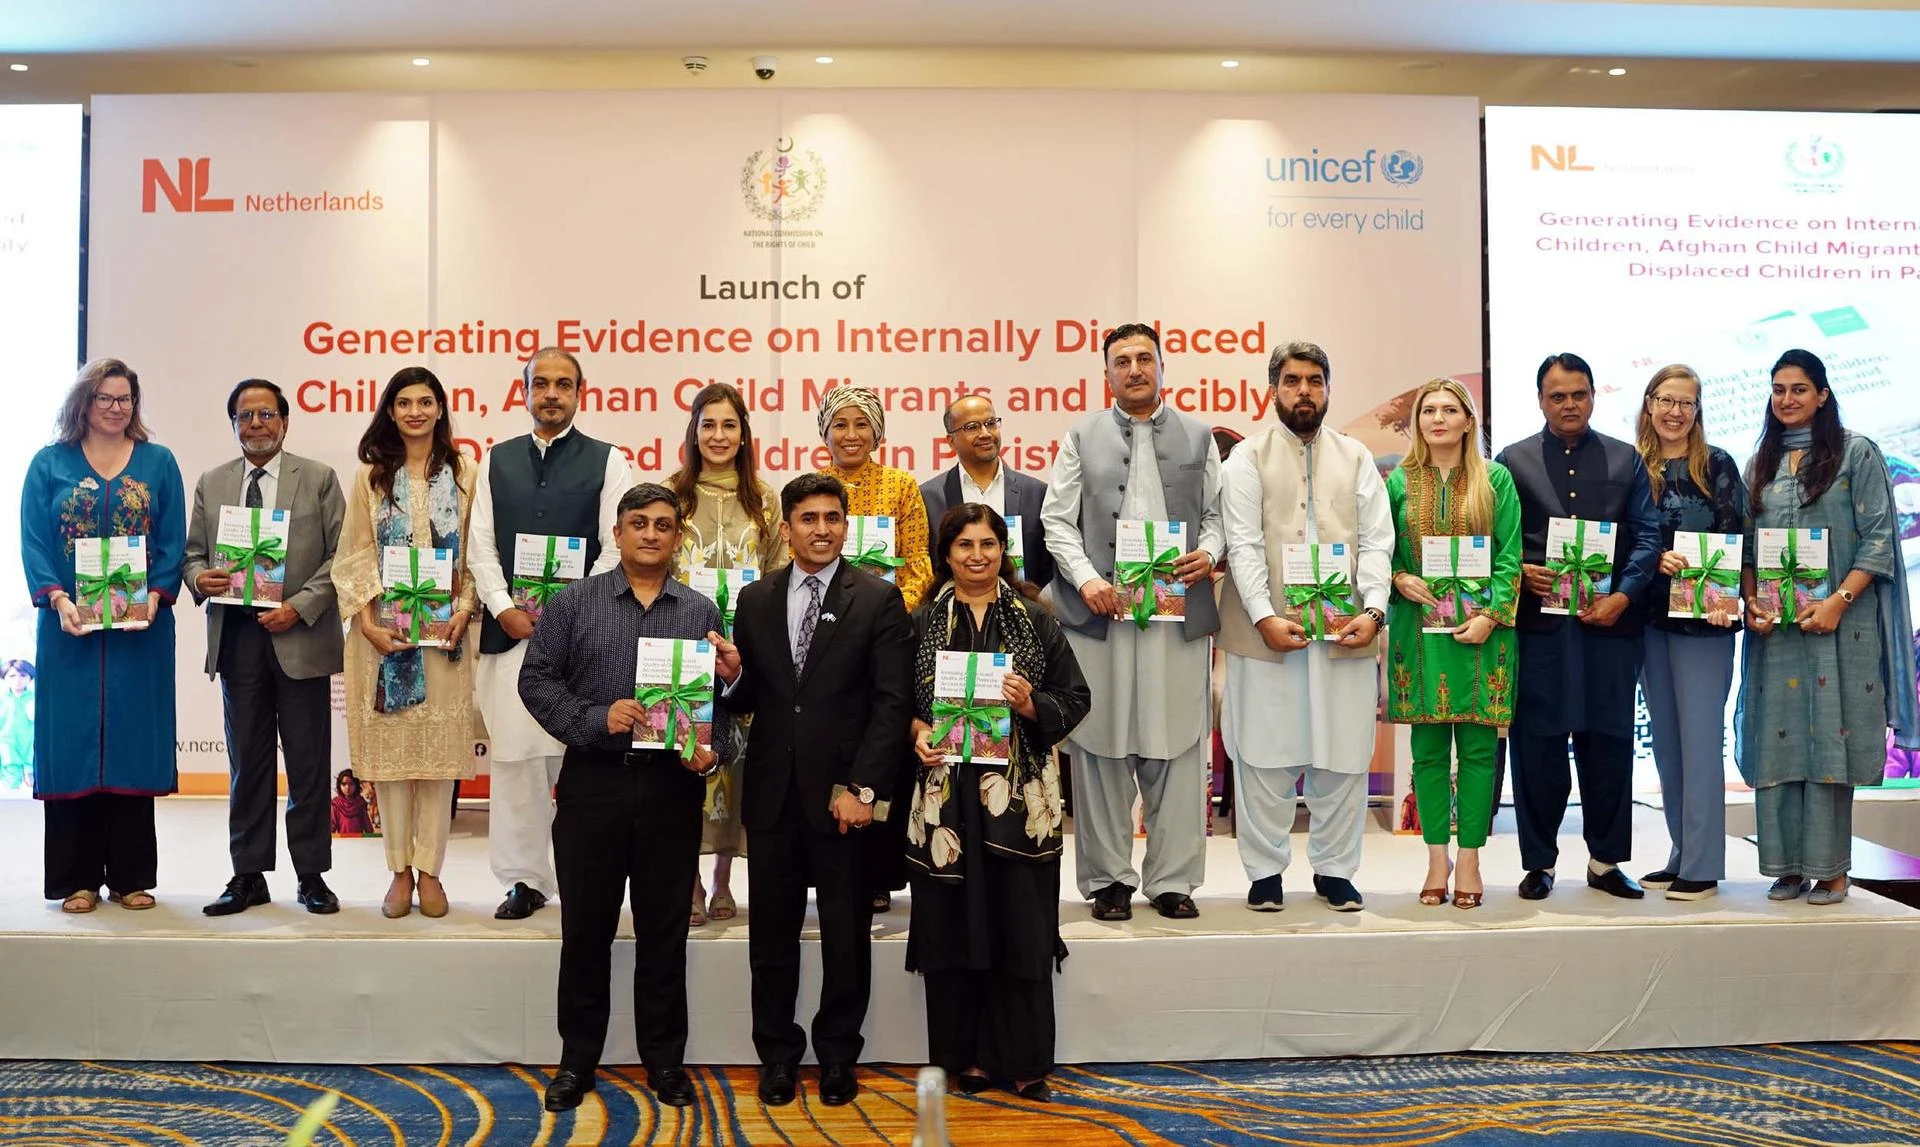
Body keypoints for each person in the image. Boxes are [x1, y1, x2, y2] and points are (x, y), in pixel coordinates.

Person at [518, 482, 731, 1112]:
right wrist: (594, 717)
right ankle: (576, 1061)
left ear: (676, 537)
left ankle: (665, 1062)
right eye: (638, 523)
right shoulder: (572, 603)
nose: (650, 534)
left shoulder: (699, 611)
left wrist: (713, 744)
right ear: (617, 533)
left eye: (663, 525)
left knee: (665, 933)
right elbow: (536, 683)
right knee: (586, 930)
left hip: (670, 791)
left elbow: (723, 708)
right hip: (594, 783)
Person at [710, 472, 914, 1109]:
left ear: (845, 525)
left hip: (844, 798)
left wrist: (864, 788)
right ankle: (776, 1053)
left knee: (845, 936)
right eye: (808, 518)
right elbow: (757, 699)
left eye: (832, 517)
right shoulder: (755, 598)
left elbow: (891, 703)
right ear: (787, 527)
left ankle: (836, 1055)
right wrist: (731, 679)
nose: (821, 529)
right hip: (772, 795)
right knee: (769, 936)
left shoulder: (878, 598)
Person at [905, 504, 1090, 1103]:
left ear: (1003, 549)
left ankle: (1027, 1059)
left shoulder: (1037, 620)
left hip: (1020, 806)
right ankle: (970, 1059)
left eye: (988, 543)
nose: (977, 556)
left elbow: (1076, 697)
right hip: (947, 802)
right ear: (947, 553)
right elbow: (893, 701)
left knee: (1019, 925)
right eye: (964, 545)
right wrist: (915, 733)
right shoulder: (919, 622)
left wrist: (1031, 703)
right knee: (956, 926)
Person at [1040, 322, 1222, 921]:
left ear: (1163, 367)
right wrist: (1088, 581)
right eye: (1123, 361)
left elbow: (1219, 516)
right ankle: (1108, 880)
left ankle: (1172, 880)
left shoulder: (1199, 437)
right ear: (1108, 373)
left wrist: (1211, 553)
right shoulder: (1080, 436)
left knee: (1177, 743)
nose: (1136, 369)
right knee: (1100, 746)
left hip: (1176, 617)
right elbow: (1057, 520)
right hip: (1102, 617)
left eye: (1146, 358)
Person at [1738, 349, 1917, 905]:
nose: (1786, 399)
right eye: (1777, 390)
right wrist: (1751, 603)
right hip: (1779, 633)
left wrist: (1839, 601)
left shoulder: (1855, 453)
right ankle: (1787, 867)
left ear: (1822, 395)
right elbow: (1745, 549)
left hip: (1840, 628)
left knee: (1829, 740)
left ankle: (1832, 867)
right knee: (1780, 739)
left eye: (1798, 389)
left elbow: (1881, 539)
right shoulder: (1759, 463)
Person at [1218, 342, 1389, 913]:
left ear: (1328, 389)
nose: (1304, 392)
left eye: (1315, 380)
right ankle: (1265, 872)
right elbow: (1241, 544)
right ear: (1273, 390)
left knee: (1342, 755)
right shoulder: (1245, 459)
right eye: (1292, 381)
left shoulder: (1357, 456)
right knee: (1263, 755)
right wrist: (1264, 616)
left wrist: (1373, 612)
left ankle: (1335, 869)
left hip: (1345, 631)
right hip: (1268, 633)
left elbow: (1378, 544)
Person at [467, 348, 628, 922]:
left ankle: (588, 875)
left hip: (584, 639)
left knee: (581, 762)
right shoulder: (495, 460)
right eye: (542, 384)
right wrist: (504, 606)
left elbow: (618, 546)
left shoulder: (610, 462)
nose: (552, 394)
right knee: (514, 763)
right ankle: (523, 881)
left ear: (581, 392)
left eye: (564, 384)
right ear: (525, 390)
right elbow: (479, 545)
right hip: (509, 635)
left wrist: (572, 613)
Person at [1495, 353, 1662, 901]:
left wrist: (1622, 596)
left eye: (1579, 394)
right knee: (1537, 747)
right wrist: (1519, 571)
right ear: (1540, 400)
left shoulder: (1625, 459)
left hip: (1608, 628)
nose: (1569, 405)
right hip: (1539, 630)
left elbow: (1646, 537)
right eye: (1557, 396)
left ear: (1594, 396)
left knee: (1609, 744)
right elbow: (1496, 541)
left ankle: (1605, 861)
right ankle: (1539, 862)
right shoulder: (1511, 462)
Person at [22, 358, 185, 913]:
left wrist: (157, 597)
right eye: (105, 399)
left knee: (132, 744)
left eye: (125, 399)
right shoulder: (49, 464)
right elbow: (35, 541)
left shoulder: (159, 463)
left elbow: (171, 540)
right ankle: (77, 879)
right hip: (69, 632)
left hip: (141, 632)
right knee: (72, 747)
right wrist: (59, 599)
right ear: (83, 404)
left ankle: (133, 877)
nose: (116, 408)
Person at [184, 378, 347, 917]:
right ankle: (247, 875)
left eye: (266, 414)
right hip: (238, 641)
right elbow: (192, 556)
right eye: (245, 416)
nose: (256, 424)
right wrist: (199, 579)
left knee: (307, 764)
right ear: (233, 424)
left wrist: (298, 606)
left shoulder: (318, 479)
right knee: (246, 764)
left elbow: (340, 558)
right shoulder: (212, 482)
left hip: (297, 634)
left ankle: (311, 876)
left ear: (285, 420)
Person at [332, 366, 479, 919]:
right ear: (389, 411)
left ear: (440, 408)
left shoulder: (465, 473)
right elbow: (354, 554)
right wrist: (369, 623)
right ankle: (397, 872)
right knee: (392, 763)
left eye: (425, 401)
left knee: (437, 763)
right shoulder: (371, 476)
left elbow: (474, 552)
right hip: (384, 639)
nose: (415, 411)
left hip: (445, 638)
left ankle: (432, 871)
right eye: (403, 403)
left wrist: (464, 611)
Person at [1384, 377, 1521, 910]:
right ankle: (1436, 856)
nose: (1437, 419)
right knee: (1429, 750)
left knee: (1482, 747)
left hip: (1483, 633)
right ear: (1417, 422)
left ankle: (1470, 856)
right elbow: (1381, 549)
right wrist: (1399, 578)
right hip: (1419, 631)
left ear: (1469, 420)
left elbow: (1509, 555)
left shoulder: (1497, 480)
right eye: (1427, 411)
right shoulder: (1399, 482)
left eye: (1449, 410)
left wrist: (1491, 616)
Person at [666, 382, 785, 927]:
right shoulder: (670, 494)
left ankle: (720, 876)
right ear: (693, 431)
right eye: (707, 424)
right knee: (681, 763)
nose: (718, 435)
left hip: (744, 657)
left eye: (728, 425)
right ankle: (686, 878)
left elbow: (781, 577)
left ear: (743, 434)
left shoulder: (765, 498)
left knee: (736, 766)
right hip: (679, 654)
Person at [816, 384, 931, 912]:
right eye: (840, 424)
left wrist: (881, 616)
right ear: (824, 432)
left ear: (879, 432)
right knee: (830, 743)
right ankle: (829, 865)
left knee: (881, 745)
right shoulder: (814, 490)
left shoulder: (902, 487)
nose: (851, 435)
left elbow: (920, 567)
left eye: (861, 424)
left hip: (887, 637)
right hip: (823, 639)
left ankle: (878, 872)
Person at [1633, 364, 1747, 902]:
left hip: (1707, 624)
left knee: (1701, 744)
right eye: (1666, 400)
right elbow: (1622, 540)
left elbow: (1737, 538)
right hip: (1646, 620)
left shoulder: (1717, 465)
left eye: (1687, 402)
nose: (1675, 411)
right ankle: (1682, 851)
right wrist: (1654, 560)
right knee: (1668, 747)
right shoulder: (1632, 466)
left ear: (1698, 411)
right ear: (1649, 403)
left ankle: (1703, 865)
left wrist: (1729, 600)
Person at [920, 394, 1056, 592]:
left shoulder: (1036, 493)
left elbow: (1047, 566)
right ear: (950, 441)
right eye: (972, 427)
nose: (985, 433)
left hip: (1024, 613)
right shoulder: (928, 497)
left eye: (991, 423)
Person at [0, 659, 35, 793]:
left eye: (23, 676)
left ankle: (28, 771)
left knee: (31, 780)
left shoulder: (35, 698)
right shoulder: (2, 699)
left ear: (30, 678)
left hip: (29, 742)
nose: (18, 680)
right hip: (6, 742)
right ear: (4, 678)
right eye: (12, 676)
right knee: (10, 773)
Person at [331, 769, 374, 836]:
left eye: (351, 784)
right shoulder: (336, 804)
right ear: (339, 785)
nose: (347, 787)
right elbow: (331, 828)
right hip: (342, 843)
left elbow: (368, 829)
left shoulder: (360, 803)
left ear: (356, 785)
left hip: (358, 843)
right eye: (344, 784)